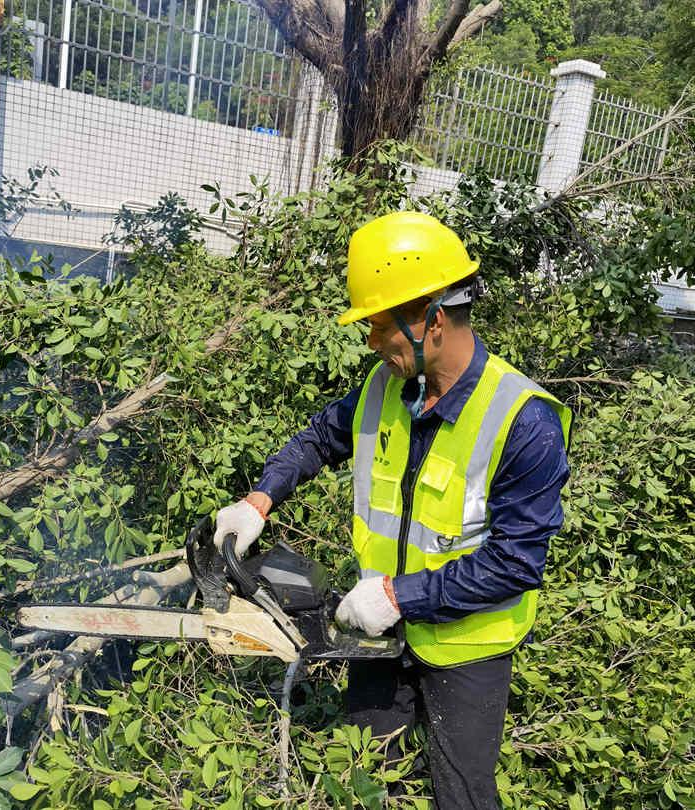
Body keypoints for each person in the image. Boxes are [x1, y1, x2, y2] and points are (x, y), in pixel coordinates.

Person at [213, 211, 571, 809]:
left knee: (463, 795)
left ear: (431, 318)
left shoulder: (524, 420)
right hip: (377, 637)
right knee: (369, 781)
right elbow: (318, 438)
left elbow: (516, 563)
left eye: (380, 326)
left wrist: (399, 596)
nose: (372, 342)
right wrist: (259, 499)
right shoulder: (384, 388)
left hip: (466, 647)